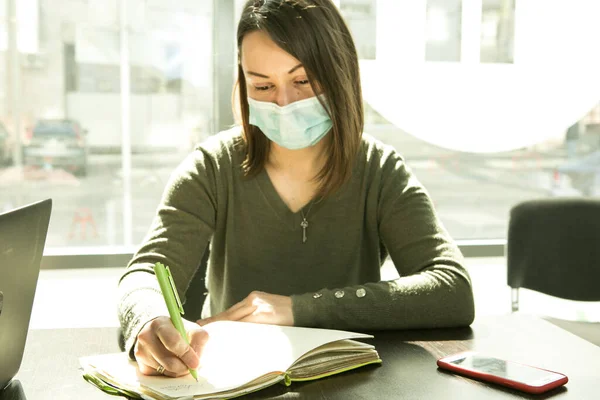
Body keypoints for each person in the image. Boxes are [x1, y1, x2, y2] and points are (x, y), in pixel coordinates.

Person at [117, 0, 475, 379]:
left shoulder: (380, 170)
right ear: (243, 84)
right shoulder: (213, 165)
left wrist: (300, 309)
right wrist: (149, 320)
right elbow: (143, 273)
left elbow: (451, 288)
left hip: (352, 382)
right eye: (263, 85)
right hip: (235, 381)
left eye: (302, 81)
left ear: (340, 75)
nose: (283, 103)